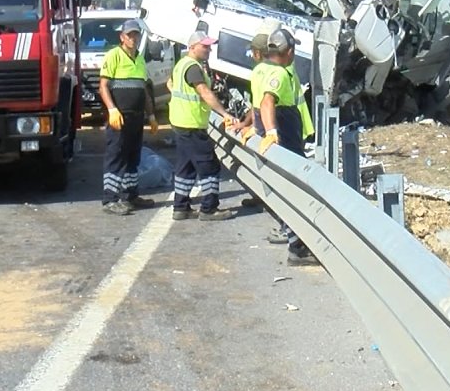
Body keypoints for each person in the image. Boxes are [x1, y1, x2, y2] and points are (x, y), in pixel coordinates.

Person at [250, 27, 320, 266]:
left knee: (281, 193)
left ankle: (296, 242)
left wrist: (253, 127)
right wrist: (272, 131)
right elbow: (268, 102)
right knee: (293, 194)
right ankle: (297, 248)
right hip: (285, 140)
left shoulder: (259, 70)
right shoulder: (279, 74)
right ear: (288, 51)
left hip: (269, 140)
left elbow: (257, 103)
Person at [169, 30, 242, 221]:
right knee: (209, 165)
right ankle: (209, 209)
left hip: (181, 121)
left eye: (209, 46)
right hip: (191, 124)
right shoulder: (193, 67)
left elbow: (171, 84)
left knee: (186, 167)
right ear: (193, 47)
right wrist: (225, 113)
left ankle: (181, 206)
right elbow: (205, 93)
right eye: (205, 46)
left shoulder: (182, 65)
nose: (209, 50)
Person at [100, 19, 159, 215]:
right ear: (122, 37)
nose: (133, 38)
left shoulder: (140, 59)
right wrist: (112, 109)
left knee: (133, 156)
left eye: (136, 35)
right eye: (130, 35)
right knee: (116, 156)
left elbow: (144, 90)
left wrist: (150, 115)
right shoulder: (114, 56)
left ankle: (130, 195)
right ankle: (110, 199)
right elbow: (103, 87)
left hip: (136, 117)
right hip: (120, 116)